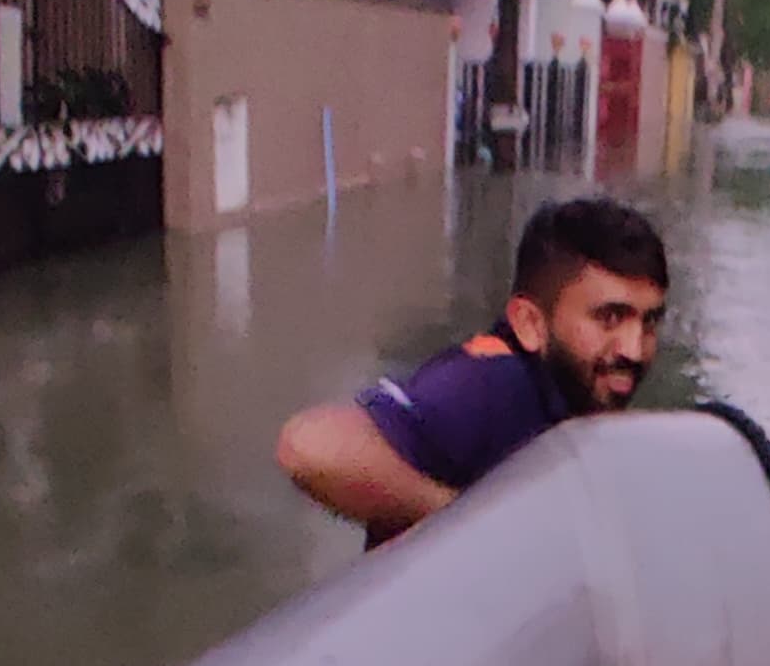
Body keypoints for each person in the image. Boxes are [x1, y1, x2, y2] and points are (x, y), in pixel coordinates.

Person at [278, 195, 669, 541]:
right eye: (609, 318)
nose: (633, 350)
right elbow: (308, 447)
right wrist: (471, 525)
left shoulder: (569, 396)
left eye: (648, 322)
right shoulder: (491, 383)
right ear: (530, 324)